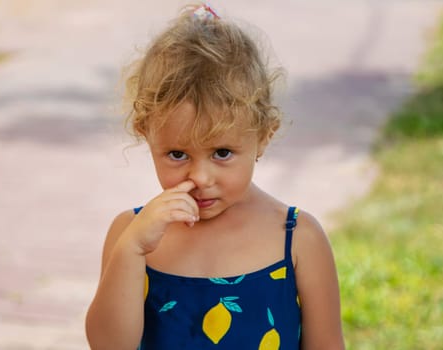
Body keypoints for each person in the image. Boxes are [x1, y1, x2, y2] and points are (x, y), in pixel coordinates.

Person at [85, 3, 345, 349]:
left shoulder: (297, 237)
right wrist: (131, 249)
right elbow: (108, 345)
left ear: (263, 136)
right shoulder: (130, 234)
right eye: (177, 154)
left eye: (222, 153)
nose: (200, 176)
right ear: (147, 134)